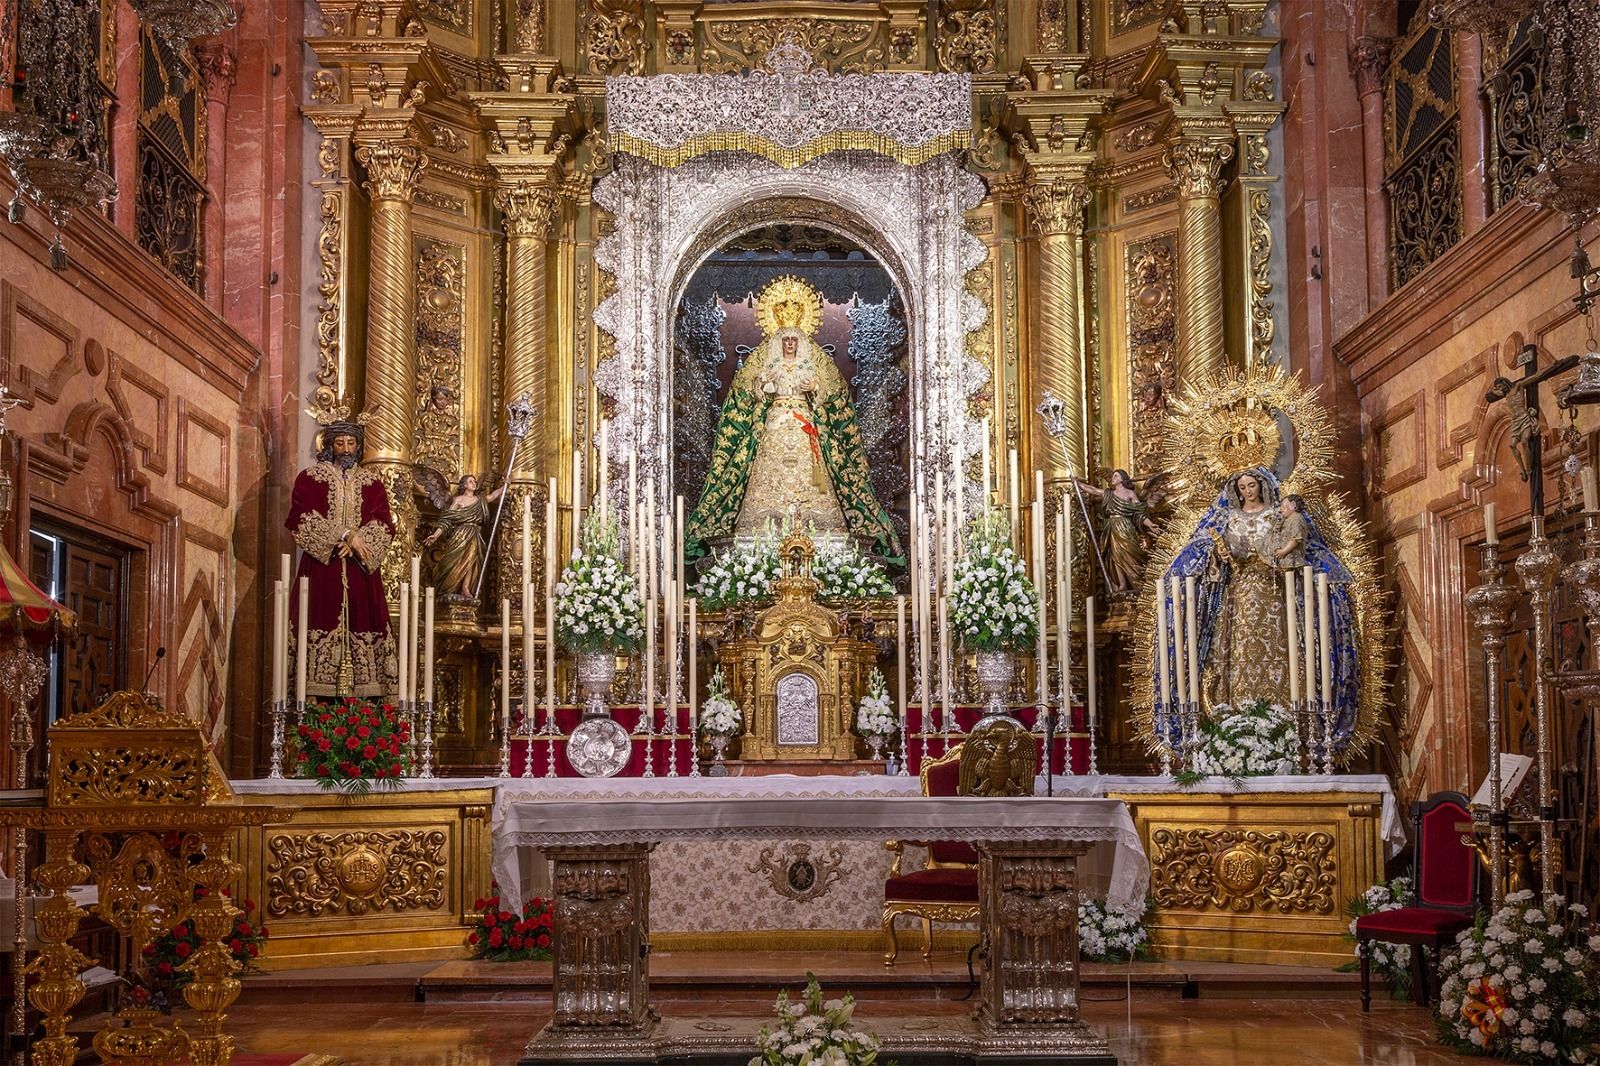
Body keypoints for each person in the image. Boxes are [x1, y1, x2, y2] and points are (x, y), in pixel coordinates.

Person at [685, 275, 899, 560]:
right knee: (769, 474)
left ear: (800, 340)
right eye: (784, 339)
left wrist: (814, 389)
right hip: (774, 426)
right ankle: (762, 524)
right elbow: (752, 397)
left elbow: (830, 398)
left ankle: (818, 523)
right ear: (778, 340)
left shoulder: (816, 361)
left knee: (812, 475)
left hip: (804, 426)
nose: (788, 344)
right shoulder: (765, 361)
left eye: (793, 339)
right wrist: (764, 384)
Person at [286, 415, 395, 698]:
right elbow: (300, 517)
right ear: (330, 445)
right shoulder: (310, 479)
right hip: (323, 570)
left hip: (361, 572)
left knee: (365, 622)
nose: (346, 449)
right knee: (317, 621)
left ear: (358, 446)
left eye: (351, 443)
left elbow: (384, 521)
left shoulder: (372, 483)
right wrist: (346, 535)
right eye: (340, 443)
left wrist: (360, 543)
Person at [1074, 470, 1160, 596]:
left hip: (1126, 528)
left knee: (1129, 554)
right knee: (1115, 556)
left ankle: (1138, 583)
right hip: (1112, 528)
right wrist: (1078, 484)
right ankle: (1122, 584)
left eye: (1116, 476)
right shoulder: (1109, 493)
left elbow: (1139, 513)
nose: (1112, 478)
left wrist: (1150, 525)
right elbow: (1093, 490)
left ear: (1122, 479)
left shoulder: (1130, 493)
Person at [422, 474, 506, 601]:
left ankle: (466, 588)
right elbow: (447, 520)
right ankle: (449, 587)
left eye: (475, 481)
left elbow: (494, 496)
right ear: (465, 485)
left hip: (474, 533)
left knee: (471, 560)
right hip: (460, 534)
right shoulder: (458, 500)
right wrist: (435, 535)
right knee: (452, 561)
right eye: (471, 481)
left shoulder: (480, 499)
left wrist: (506, 485)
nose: (474, 483)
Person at [1274, 494, 1310, 570]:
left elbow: (1296, 538)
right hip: (1284, 560)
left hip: (1293, 560)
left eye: (1283, 506)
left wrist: (1284, 551)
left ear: (1293, 505)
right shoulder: (1288, 519)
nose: (1281, 509)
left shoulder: (1297, 519)